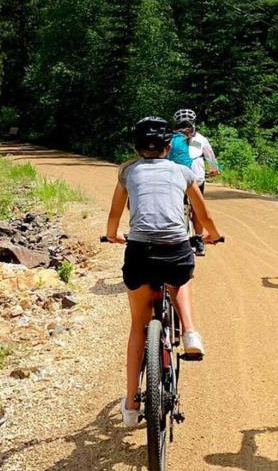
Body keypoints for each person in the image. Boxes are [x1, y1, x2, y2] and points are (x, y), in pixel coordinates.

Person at [105, 116, 223, 427]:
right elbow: (203, 215)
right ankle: (190, 332)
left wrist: (114, 235)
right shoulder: (183, 172)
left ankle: (131, 406)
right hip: (175, 250)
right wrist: (212, 234)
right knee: (181, 279)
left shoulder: (128, 172)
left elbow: (114, 218)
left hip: (140, 252)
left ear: (136, 146)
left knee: (137, 327)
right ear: (168, 147)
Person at [173, 108, 220, 255]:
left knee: (173, 209)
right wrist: (215, 170)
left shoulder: (171, 139)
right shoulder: (200, 139)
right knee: (198, 209)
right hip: (197, 179)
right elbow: (211, 158)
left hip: (175, 180)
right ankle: (199, 239)